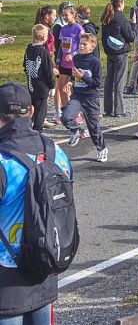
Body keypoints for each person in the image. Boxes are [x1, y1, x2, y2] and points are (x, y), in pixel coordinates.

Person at [0, 81, 72, 324]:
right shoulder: (55, 152)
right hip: (45, 266)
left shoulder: (3, 161)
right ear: (31, 111)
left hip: (6, 280)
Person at [60, 33, 108, 162]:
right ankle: (78, 130)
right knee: (65, 117)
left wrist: (83, 77)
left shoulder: (95, 62)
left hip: (90, 98)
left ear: (92, 47)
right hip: (77, 96)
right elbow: (73, 75)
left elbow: (97, 83)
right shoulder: (76, 59)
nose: (81, 46)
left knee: (94, 128)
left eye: (84, 44)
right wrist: (70, 83)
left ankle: (101, 148)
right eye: (80, 43)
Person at [100, 0, 136, 117]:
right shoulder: (121, 18)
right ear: (121, 4)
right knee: (119, 81)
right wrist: (133, 25)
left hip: (109, 51)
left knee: (109, 81)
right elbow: (131, 37)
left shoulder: (106, 16)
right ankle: (119, 110)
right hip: (121, 52)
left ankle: (108, 109)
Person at [23, 25, 55, 132]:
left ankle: (27, 127)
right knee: (41, 110)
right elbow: (48, 71)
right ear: (43, 37)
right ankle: (37, 130)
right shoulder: (43, 52)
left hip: (31, 83)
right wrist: (52, 86)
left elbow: (25, 65)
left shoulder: (29, 48)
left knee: (32, 107)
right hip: (42, 86)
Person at [56, 5, 85, 112]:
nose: (64, 17)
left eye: (66, 15)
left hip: (75, 63)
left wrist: (73, 54)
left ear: (73, 15)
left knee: (72, 89)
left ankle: (75, 112)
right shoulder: (63, 29)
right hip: (64, 63)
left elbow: (83, 46)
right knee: (61, 87)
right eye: (63, 15)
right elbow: (61, 46)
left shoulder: (78, 29)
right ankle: (65, 109)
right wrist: (58, 60)